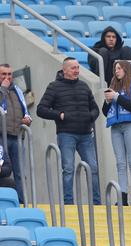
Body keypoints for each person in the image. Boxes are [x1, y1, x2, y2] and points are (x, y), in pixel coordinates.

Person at [37, 57, 101, 205]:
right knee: (68, 169)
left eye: (78, 67)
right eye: (73, 68)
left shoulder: (84, 86)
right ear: (64, 70)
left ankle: (97, 203)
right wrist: (59, 115)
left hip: (86, 134)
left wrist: (90, 117)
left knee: (93, 168)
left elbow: (95, 109)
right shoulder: (54, 87)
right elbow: (41, 109)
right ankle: (68, 203)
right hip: (66, 134)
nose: (77, 70)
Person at [102, 60, 131, 207]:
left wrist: (117, 97)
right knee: (120, 163)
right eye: (115, 69)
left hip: (130, 125)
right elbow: (105, 112)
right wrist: (107, 101)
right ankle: (123, 197)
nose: (117, 71)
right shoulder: (113, 86)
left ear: (126, 69)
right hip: (115, 127)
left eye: (119, 68)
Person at [0, 63, 32, 202]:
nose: (7, 77)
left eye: (9, 74)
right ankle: (5, 201)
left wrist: (27, 120)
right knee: (3, 172)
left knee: (19, 172)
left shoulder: (17, 90)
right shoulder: (3, 90)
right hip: (1, 137)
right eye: (4, 74)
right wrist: (3, 89)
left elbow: (25, 111)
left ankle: (20, 201)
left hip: (17, 137)